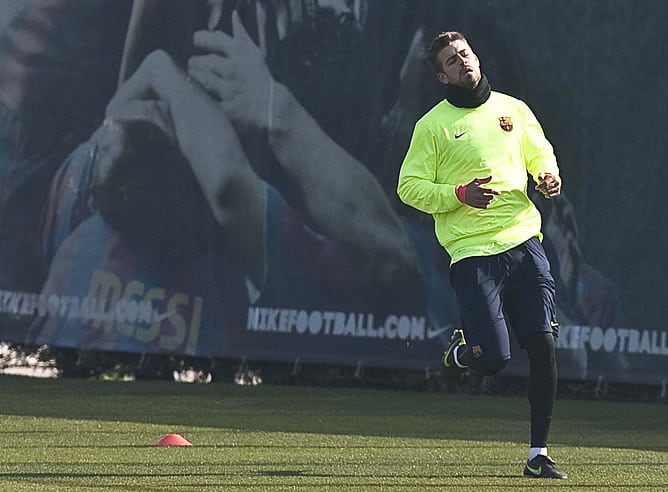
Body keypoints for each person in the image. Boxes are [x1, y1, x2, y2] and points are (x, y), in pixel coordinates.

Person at [397, 31, 567, 479]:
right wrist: (458, 194)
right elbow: (408, 187)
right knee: (493, 360)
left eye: (465, 54)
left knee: (544, 346)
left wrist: (547, 176)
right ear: (442, 75)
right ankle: (460, 353)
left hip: (524, 242)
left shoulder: (513, 109)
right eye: (452, 61)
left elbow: (539, 153)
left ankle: (537, 455)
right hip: (472, 253)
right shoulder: (431, 126)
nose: (462, 62)